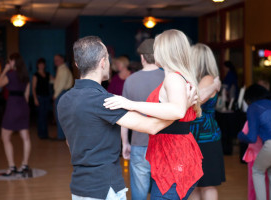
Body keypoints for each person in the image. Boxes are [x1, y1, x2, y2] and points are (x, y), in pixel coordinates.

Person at [57, 36, 196, 200]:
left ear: (77, 64)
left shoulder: (64, 100)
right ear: (103, 62)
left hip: (79, 187)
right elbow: (151, 126)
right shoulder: (104, 101)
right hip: (104, 188)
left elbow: (69, 142)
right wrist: (182, 107)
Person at [104, 30, 220, 200]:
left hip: (173, 157)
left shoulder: (173, 77)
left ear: (165, 50)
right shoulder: (176, 76)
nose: (154, 51)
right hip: (174, 153)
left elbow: (177, 110)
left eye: (156, 47)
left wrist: (130, 104)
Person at [121, 38, 165, 200]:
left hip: (139, 143)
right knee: (162, 189)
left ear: (142, 58)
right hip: (164, 143)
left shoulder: (130, 80)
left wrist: (125, 143)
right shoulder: (169, 78)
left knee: (139, 193)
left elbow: (125, 114)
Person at [189, 43, 225, 200]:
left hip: (205, 137)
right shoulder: (201, 79)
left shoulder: (209, 79)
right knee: (193, 184)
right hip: (194, 137)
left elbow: (196, 101)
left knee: (208, 184)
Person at [0, 53, 31, 176]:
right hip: (23, 106)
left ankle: (12, 166)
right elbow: (27, 95)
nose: (8, 63)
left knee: (5, 136)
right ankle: (24, 165)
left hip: (12, 106)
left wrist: (5, 70)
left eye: (9, 61)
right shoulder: (25, 77)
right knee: (25, 137)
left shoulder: (10, 74)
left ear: (13, 62)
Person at [53, 54, 73, 140]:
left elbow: (61, 85)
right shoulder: (61, 69)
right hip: (62, 93)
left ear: (62, 59)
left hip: (61, 93)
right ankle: (60, 135)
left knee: (60, 115)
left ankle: (61, 136)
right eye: (55, 60)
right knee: (60, 115)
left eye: (57, 59)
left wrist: (55, 95)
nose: (55, 61)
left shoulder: (63, 70)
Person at [32, 58, 51, 139]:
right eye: (40, 64)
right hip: (39, 97)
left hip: (47, 97)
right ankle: (41, 134)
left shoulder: (48, 74)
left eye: (42, 64)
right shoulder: (35, 75)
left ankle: (45, 134)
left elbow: (56, 81)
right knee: (41, 116)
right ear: (37, 65)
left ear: (44, 65)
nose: (41, 65)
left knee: (45, 116)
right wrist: (35, 99)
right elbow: (33, 88)